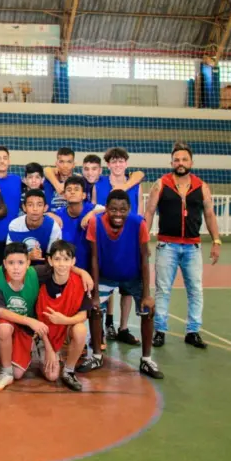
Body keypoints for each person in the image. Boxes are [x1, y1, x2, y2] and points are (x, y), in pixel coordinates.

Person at [0, 241, 94, 391]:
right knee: (5, 332)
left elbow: (62, 266)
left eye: (20, 262)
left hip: (42, 328)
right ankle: (7, 367)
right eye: (11, 263)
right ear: (4, 263)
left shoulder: (40, 273)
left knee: (79, 331)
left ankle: (67, 369)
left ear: (28, 263)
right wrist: (31, 322)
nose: (16, 267)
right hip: (29, 326)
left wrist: (83, 272)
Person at [145, 142, 220, 350]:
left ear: (191, 162)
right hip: (166, 245)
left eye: (184, 159)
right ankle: (159, 330)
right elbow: (149, 212)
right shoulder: (161, 184)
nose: (180, 163)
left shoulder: (201, 186)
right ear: (171, 162)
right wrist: (144, 240)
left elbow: (210, 214)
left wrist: (217, 241)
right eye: (177, 159)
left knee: (195, 290)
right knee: (162, 289)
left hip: (192, 248)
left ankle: (193, 331)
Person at [86, 190, 164, 379]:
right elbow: (94, 258)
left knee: (148, 309)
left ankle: (146, 360)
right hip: (106, 275)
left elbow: (145, 257)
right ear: (106, 209)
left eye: (122, 210)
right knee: (94, 308)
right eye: (113, 209)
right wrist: (95, 293)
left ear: (129, 209)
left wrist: (146, 293)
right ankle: (97, 356)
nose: (118, 214)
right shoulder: (95, 222)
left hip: (133, 276)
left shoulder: (138, 223)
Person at [93, 147, 144, 345]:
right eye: (113, 162)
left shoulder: (136, 185)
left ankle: (124, 328)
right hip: (107, 242)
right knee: (105, 285)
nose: (117, 165)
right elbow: (97, 213)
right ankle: (106, 326)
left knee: (127, 289)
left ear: (126, 163)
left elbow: (140, 215)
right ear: (108, 165)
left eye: (121, 161)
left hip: (129, 244)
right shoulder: (101, 184)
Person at [34, 240, 92, 391]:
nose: (61, 264)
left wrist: (64, 320)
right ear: (50, 261)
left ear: (73, 261)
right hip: (44, 331)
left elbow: (83, 315)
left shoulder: (80, 282)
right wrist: (50, 350)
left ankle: (69, 370)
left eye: (66, 259)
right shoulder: (41, 277)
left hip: (65, 327)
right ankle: (41, 348)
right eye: (57, 259)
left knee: (80, 330)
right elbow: (40, 318)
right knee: (52, 376)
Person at [50, 176, 95, 270]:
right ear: (64, 195)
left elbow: (108, 209)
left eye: (76, 189)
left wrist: (92, 213)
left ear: (84, 195)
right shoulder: (59, 214)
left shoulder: (91, 209)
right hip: (65, 268)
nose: (72, 192)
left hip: (89, 267)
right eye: (69, 189)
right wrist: (48, 214)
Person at [6, 189, 62, 264]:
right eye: (30, 205)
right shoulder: (14, 225)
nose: (35, 209)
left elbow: (54, 258)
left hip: (44, 268)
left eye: (39, 205)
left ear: (45, 208)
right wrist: (28, 256)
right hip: (20, 266)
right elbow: (9, 255)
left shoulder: (53, 227)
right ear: (24, 207)